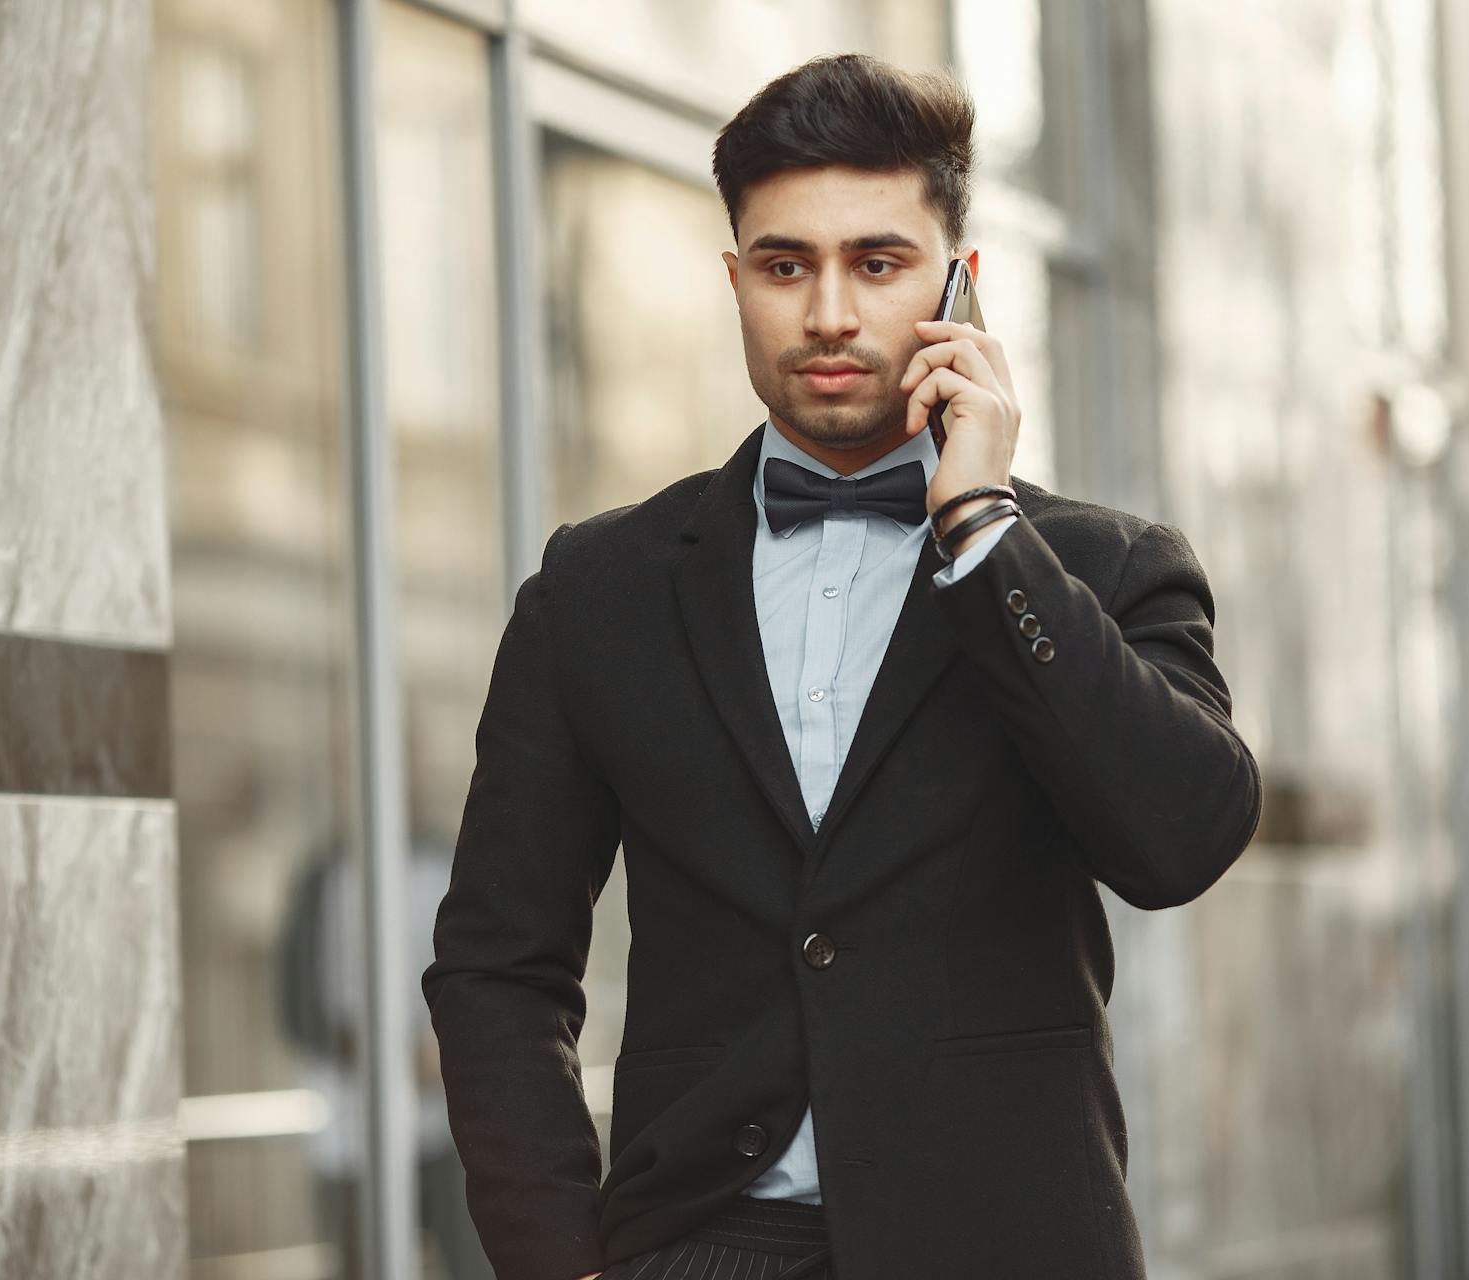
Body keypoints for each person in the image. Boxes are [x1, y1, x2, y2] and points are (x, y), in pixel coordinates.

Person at [422, 51, 1262, 1280]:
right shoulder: (595, 589)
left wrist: (984, 530)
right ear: (736, 282)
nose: (827, 314)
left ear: (958, 286)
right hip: (702, 1244)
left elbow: (1182, 839)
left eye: (877, 263)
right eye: (784, 265)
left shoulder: (1105, 568)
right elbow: (498, 962)